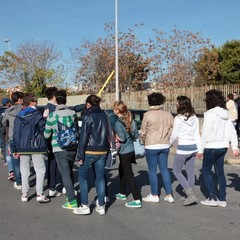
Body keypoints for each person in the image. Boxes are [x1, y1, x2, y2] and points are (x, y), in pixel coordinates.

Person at [200, 89, 239, 207]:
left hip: (211, 146)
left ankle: (212, 197)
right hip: (223, 147)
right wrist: (235, 147)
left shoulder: (210, 113)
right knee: (220, 172)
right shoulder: (226, 113)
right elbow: (232, 131)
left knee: (206, 171)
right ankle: (222, 199)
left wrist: (200, 149)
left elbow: (205, 133)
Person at [73, 95, 109, 215]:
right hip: (102, 150)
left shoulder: (88, 116)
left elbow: (84, 137)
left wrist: (80, 155)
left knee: (82, 176)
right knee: (100, 178)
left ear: (89, 103)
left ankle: (84, 205)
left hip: (89, 150)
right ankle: (101, 205)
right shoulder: (105, 115)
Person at [44, 90, 78, 209]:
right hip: (73, 146)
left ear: (56, 101)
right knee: (70, 171)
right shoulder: (73, 113)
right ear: (66, 100)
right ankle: (71, 191)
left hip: (59, 147)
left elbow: (46, 134)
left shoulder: (52, 116)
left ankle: (72, 201)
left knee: (65, 174)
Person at [13, 94, 50, 203]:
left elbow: (15, 134)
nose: (37, 103)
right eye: (36, 101)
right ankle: (40, 193)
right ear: (32, 102)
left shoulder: (19, 116)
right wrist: (45, 117)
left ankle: (24, 194)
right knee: (40, 169)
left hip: (22, 147)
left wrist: (15, 148)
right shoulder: (38, 115)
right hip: (37, 146)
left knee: (24, 170)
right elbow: (43, 129)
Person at [140, 92, 174, 204]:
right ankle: (169, 194)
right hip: (164, 144)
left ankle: (154, 194)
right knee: (164, 169)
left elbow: (143, 132)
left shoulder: (147, 115)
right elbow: (172, 129)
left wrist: (143, 142)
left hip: (151, 144)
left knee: (152, 171)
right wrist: (168, 139)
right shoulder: (167, 114)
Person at [169, 96, 202, 206]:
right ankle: (190, 195)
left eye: (177, 102)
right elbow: (197, 135)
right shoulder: (195, 118)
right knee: (190, 172)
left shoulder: (178, 118)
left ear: (181, 104)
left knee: (176, 171)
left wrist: (169, 144)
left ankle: (190, 195)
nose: (176, 104)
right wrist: (200, 149)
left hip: (183, 148)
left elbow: (174, 135)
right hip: (193, 148)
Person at [112, 100, 142, 208]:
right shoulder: (131, 120)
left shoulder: (117, 123)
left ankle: (137, 199)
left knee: (129, 175)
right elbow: (135, 134)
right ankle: (122, 192)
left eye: (114, 108)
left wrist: (114, 136)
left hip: (124, 151)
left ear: (117, 110)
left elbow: (122, 139)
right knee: (122, 171)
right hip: (131, 150)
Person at [2, 91, 24, 190]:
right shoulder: (23, 109)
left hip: (12, 137)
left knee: (15, 159)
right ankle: (25, 179)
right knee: (25, 159)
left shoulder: (7, 111)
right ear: (19, 99)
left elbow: (3, 122)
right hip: (23, 137)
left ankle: (18, 182)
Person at [43, 87, 62, 197]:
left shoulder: (46, 108)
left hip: (49, 141)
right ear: (55, 96)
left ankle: (52, 186)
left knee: (52, 163)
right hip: (59, 140)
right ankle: (65, 186)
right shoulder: (56, 108)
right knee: (64, 164)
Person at [0, 98, 14, 180]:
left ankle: (10, 169)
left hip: (3, 131)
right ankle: (14, 170)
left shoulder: (1, 110)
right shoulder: (10, 111)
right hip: (9, 131)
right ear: (8, 103)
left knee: (5, 146)